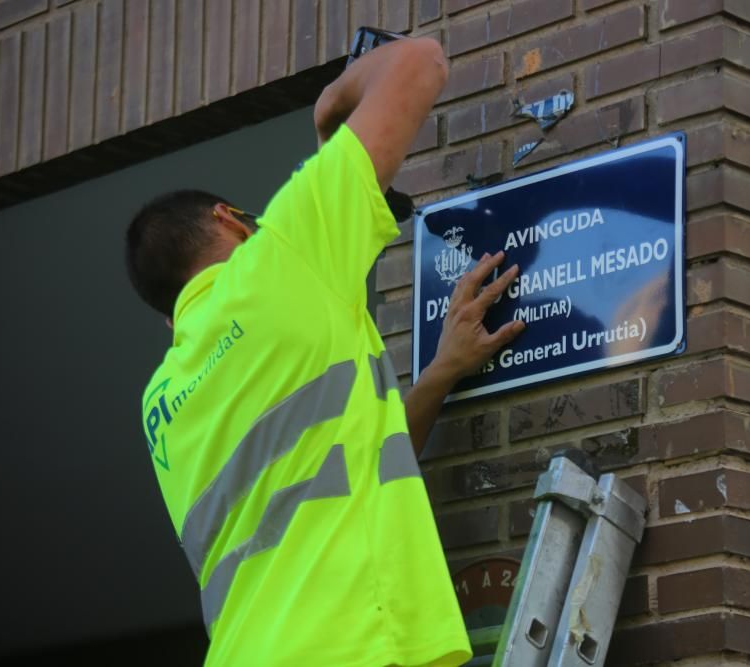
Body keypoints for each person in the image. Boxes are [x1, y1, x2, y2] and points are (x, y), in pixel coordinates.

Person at [125, 36, 524, 666]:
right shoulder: (279, 255)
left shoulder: (161, 405)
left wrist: (441, 371)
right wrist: (331, 107)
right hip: (353, 646)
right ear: (231, 219)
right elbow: (420, 61)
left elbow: (352, 462)